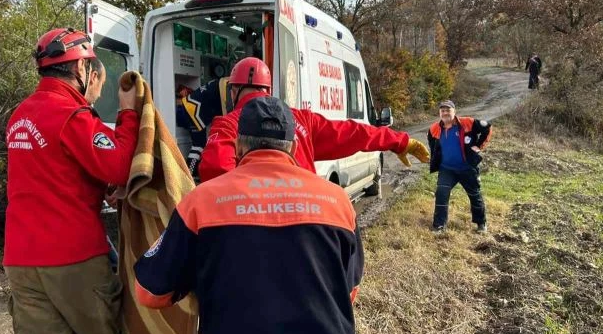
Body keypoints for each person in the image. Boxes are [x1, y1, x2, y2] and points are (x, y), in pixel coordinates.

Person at [135, 97, 370, 334]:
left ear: (238, 145)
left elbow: (149, 292)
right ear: (293, 146)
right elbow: (349, 293)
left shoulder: (201, 204)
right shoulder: (337, 202)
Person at [3, 27, 153, 334]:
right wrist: (126, 114)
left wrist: (95, 185)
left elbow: (55, 173)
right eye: (93, 70)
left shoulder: (21, 117)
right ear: (83, 68)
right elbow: (121, 161)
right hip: (72, 257)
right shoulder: (71, 116)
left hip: (21, 262)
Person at [198, 57, 430, 182]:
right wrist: (399, 141)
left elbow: (215, 171)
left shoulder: (227, 125)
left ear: (233, 90)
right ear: (268, 89)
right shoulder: (300, 119)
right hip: (304, 223)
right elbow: (353, 133)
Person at [427, 100, 492, 234]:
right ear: (439, 113)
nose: (445, 113)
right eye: (442, 110)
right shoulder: (434, 128)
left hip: (467, 168)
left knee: (474, 194)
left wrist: (478, 146)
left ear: (454, 111)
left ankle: (481, 223)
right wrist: (435, 159)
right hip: (447, 169)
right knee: (441, 193)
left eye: (448, 110)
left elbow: (487, 128)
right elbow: (432, 145)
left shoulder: (467, 122)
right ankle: (439, 226)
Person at [175, 77, 232, 180]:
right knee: (198, 145)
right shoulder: (228, 87)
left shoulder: (224, 82)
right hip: (192, 111)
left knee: (199, 144)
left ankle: (190, 173)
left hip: (189, 107)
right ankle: (189, 175)